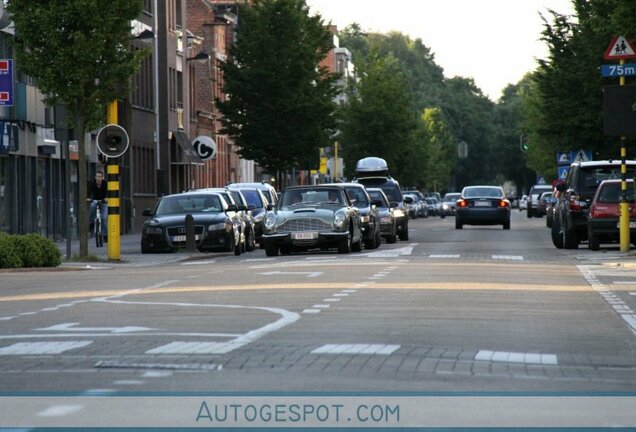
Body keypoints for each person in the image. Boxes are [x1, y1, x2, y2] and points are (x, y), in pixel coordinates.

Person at [87, 170, 108, 240]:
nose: (98, 178)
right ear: (95, 177)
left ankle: (105, 234)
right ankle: (91, 224)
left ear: (102, 178)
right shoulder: (92, 183)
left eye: (100, 177)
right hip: (95, 200)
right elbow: (89, 192)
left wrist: (106, 198)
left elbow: (108, 192)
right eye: (97, 176)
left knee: (104, 218)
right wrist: (88, 198)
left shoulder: (105, 184)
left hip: (103, 202)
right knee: (92, 206)